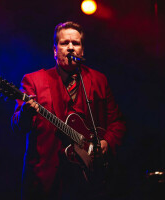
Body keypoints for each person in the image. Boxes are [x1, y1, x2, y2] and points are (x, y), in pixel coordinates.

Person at [12, 21, 126, 200]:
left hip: (89, 181)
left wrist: (107, 143)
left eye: (76, 43)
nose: (71, 48)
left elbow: (117, 122)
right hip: (46, 179)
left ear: (82, 50)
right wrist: (26, 112)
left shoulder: (99, 80)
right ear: (55, 50)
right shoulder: (34, 80)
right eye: (64, 43)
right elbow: (18, 125)